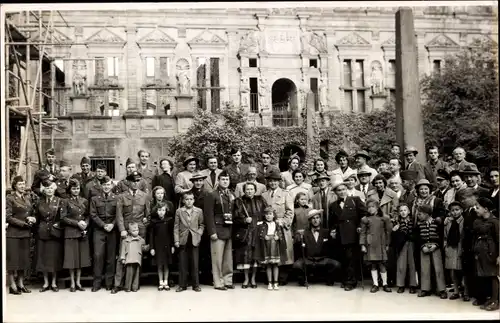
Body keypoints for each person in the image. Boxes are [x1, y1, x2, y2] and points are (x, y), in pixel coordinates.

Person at [112, 171, 150, 294]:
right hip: (127, 231)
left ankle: (135, 283)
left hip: (139, 231)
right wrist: (122, 230)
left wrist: (145, 222)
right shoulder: (122, 197)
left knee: (137, 257)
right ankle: (118, 284)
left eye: (138, 180)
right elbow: (119, 215)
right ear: (128, 182)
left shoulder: (145, 196)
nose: (135, 183)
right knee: (122, 257)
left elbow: (148, 215)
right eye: (133, 181)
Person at [330, 179, 367, 291]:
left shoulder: (355, 200)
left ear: (347, 190)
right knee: (343, 258)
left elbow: (364, 214)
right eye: (339, 190)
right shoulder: (333, 205)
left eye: (343, 189)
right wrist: (332, 230)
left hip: (352, 234)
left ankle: (351, 282)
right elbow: (332, 222)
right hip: (340, 236)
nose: (342, 192)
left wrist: (361, 226)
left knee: (351, 258)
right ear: (336, 192)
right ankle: (345, 279)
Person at [262, 168, 295, 285]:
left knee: (283, 251)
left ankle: (282, 277)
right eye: (270, 181)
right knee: (270, 251)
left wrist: (284, 222)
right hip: (269, 227)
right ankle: (270, 278)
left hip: (281, 227)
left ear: (279, 181)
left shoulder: (286, 194)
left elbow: (290, 211)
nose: (273, 183)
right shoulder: (264, 195)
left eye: (275, 181)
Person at [204, 171, 235, 290]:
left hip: (228, 229)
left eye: (227, 179)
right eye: (223, 179)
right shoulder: (212, 195)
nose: (225, 182)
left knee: (228, 258)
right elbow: (208, 215)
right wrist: (212, 231)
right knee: (217, 258)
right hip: (217, 229)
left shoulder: (230, 195)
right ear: (218, 181)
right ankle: (218, 282)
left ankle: (228, 280)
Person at [292, 211, 341, 287]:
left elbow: (332, 246)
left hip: (322, 259)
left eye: (317, 218)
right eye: (313, 218)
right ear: (310, 221)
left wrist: (333, 238)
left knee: (336, 264)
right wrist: (298, 238)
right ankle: (303, 280)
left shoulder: (326, 232)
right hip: (309, 259)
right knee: (297, 265)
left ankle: (329, 278)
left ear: (320, 219)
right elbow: (299, 247)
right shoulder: (304, 233)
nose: (315, 220)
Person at [233, 182, 267, 288]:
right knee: (245, 257)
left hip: (257, 231)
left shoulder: (260, 199)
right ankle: (246, 278)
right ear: (244, 190)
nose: (249, 191)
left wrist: (262, 223)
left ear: (255, 190)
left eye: (251, 189)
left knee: (255, 257)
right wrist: (244, 220)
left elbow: (267, 213)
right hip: (245, 232)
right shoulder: (239, 201)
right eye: (247, 189)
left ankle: (253, 279)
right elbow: (235, 217)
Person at [6, 176, 36, 295]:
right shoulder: (10, 198)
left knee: (23, 260)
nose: (22, 186)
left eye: (23, 184)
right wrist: (23, 224)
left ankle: (21, 284)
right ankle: (12, 285)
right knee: (13, 260)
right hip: (13, 233)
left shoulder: (27, 198)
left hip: (25, 233)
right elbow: (7, 216)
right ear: (15, 186)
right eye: (20, 184)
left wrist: (33, 218)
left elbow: (32, 213)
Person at [61, 178, 91, 292]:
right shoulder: (65, 201)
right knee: (71, 259)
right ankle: (72, 283)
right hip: (70, 232)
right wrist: (77, 223)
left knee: (80, 259)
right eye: (74, 188)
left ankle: (78, 282)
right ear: (70, 190)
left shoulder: (84, 201)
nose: (76, 190)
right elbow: (63, 218)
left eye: (77, 188)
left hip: (82, 232)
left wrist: (85, 224)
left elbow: (88, 215)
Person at [89, 176, 118, 292]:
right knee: (98, 256)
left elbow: (119, 214)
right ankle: (97, 283)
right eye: (104, 185)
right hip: (99, 230)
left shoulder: (116, 198)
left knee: (111, 257)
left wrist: (112, 224)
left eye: (108, 185)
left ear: (112, 186)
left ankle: (109, 283)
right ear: (101, 186)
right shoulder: (95, 199)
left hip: (112, 230)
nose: (106, 187)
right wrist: (103, 225)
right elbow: (93, 214)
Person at [34, 181, 64, 293]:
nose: (49, 190)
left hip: (54, 233)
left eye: (51, 188)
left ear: (54, 189)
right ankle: (46, 283)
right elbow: (36, 217)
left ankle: (54, 282)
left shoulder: (59, 201)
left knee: (54, 258)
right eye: (47, 188)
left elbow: (63, 217)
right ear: (44, 190)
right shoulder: (40, 202)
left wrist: (59, 224)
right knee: (43, 258)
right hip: (42, 233)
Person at [472, 197, 499, 311]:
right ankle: (487, 297)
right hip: (480, 251)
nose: (475, 209)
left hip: (491, 251)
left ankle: (495, 300)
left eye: (478, 207)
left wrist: (499, 255)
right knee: (483, 275)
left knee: (493, 275)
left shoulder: (495, 222)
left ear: (486, 209)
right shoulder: (477, 221)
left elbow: (499, 239)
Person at [360, 199, 393, 293]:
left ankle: (385, 283)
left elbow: (388, 232)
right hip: (370, 244)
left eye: (372, 207)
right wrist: (363, 245)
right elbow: (363, 233)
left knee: (382, 264)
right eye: (368, 207)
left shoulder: (385, 218)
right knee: (373, 264)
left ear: (378, 207)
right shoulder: (365, 219)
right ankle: (375, 284)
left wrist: (387, 244)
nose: (370, 209)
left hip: (381, 244)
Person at [174, 191, 204, 292]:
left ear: (194, 200)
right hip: (183, 239)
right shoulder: (179, 211)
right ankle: (182, 285)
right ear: (183, 200)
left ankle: (196, 284)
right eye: (187, 199)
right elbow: (176, 227)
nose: (189, 201)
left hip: (194, 239)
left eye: (191, 199)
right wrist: (176, 240)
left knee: (195, 263)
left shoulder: (198, 211)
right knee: (183, 263)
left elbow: (202, 225)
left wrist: (199, 234)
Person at [416, 204, 447, 299]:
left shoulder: (436, 223)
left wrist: (436, 245)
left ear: (426, 214)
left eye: (420, 214)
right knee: (425, 268)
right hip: (424, 248)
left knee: (438, 269)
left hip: (435, 248)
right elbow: (418, 238)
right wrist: (422, 247)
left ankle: (441, 289)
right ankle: (425, 289)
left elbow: (441, 236)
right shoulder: (418, 224)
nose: (418, 216)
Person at [253, 206, 287, 291]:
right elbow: (260, 234)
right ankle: (270, 282)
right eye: (267, 214)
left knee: (275, 264)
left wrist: (278, 236)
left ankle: (275, 282)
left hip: (275, 245)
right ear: (264, 215)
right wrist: (264, 236)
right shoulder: (262, 225)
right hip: (266, 245)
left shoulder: (277, 224)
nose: (268, 216)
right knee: (268, 264)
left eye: (270, 214)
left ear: (273, 215)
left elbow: (281, 234)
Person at [456, 188, 479, 302]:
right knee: (468, 268)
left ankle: (478, 294)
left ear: (473, 198)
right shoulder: (466, 211)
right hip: (467, 245)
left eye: (464, 198)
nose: (462, 201)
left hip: (475, 245)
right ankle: (470, 291)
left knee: (476, 269)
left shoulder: (477, 212)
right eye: (461, 199)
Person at [149, 201, 175, 291]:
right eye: (159, 210)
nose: (161, 212)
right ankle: (160, 282)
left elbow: (171, 234)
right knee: (159, 264)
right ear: (156, 211)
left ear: (166, 210)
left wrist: (172, 246)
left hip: (167, 245)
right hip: (157, 245)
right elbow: (151, 235)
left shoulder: (169, 220)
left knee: (166, 264)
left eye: (163, 210)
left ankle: (166, 282)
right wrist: (152, 247)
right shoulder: (154, 222)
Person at [392, 203, 417, 294]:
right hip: (402, 245)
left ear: (409, 211)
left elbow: (415, 232)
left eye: (405, 210)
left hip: (411, 243)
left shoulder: (413, 221)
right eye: (401, 211)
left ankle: (412, 285)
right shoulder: (397, 222)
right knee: (401, 264)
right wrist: (395, 230)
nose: (403, 212)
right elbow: (394, 236)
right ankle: (401, 285)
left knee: (412, 264)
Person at [443, 201, 465, 300]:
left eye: (457, 210)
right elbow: (445, 236)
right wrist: (445, 247)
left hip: (461, 247)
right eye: (452, 210)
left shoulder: (464, 221)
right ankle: (456, 290)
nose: (455, 212)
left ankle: (466, 291)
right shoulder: (448, 222)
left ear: (461, 210)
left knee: (463, 270)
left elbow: (463, 237)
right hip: (451, 248)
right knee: (452, 270)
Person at [119, 222, 148, 292]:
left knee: (137, 274)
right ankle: (128, 287)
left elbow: (143, 248)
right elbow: (123, 249)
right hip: (129, 259)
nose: (136, 232)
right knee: (129, 274)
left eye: (137, 230)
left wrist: (147, 248)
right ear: (129, 231)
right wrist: (123, 258)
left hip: (137, 258)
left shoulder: (141, 240)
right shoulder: (125, 240)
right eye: (134, 231)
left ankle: (135, 287)